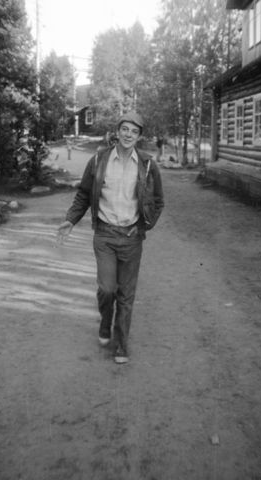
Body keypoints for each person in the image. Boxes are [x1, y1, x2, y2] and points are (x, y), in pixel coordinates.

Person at [57, 112, 164, 364]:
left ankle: (121, 344)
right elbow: (84, 194)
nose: (128, 135)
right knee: (107, 289)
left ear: (139, 136)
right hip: (105, 235)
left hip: (131, 237)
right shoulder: (98, 160)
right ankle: (105, 322)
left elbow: (158, 201)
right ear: (117, 131)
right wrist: (71, 219)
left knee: (126, 294)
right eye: (125, 129)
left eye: (134, 131)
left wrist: (144, 226)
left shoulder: (148, 165)